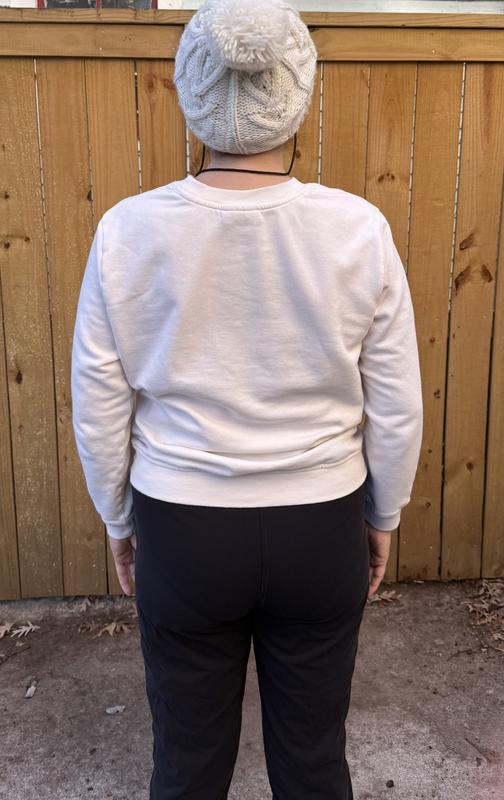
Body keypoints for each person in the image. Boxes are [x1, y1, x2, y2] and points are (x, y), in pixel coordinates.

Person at [70, 0, 423, 797]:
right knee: (314, 762)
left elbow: (98, 400)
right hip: (320, 529)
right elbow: (397, 400)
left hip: (182, 531)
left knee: (187, 765)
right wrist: (382, 516)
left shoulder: (129, 230)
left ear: (192, 93)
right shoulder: (357, 228)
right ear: (297, 95)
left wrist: (120, 521)